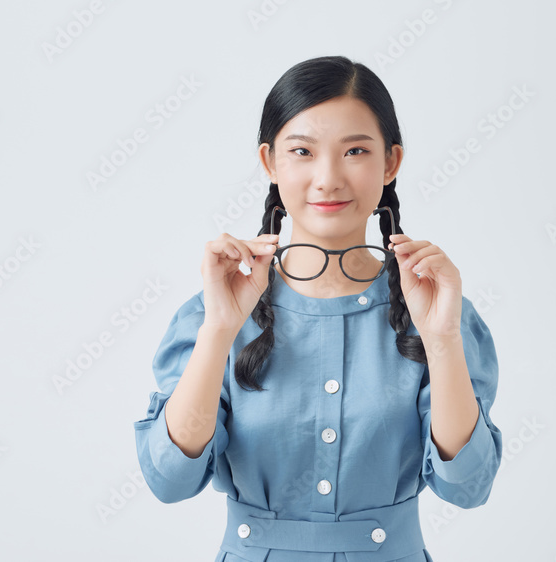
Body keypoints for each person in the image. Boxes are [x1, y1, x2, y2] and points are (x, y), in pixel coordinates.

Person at [133, 55, 502, 562]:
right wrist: (219, 329)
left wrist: (441, 341)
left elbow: (469, 487)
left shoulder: (437, 310)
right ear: (270, 162)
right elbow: (170, 481)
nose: (327, 179)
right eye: (302, 151)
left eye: (355, 150)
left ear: (391, 162)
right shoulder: (214, 312)